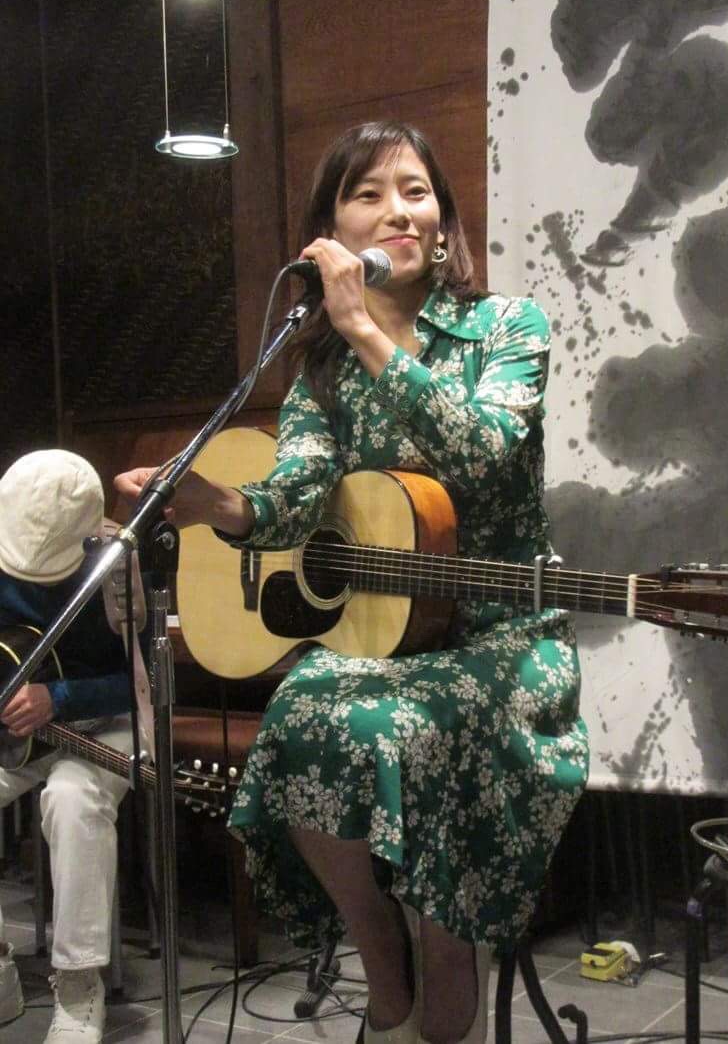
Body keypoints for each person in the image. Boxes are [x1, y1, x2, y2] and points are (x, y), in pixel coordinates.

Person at [116, 120, 590, 1044]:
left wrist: (366, 330)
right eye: (367, 195)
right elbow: (295, 498)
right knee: (299, 714)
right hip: (387, 639)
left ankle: (448, 966)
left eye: (415, 191)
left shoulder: (507, 327)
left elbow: (483, 454)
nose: (398, 212)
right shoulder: (321, 373)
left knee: (408, 727)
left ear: (444, 222)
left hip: (506, 639)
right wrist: (217, 503)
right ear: (329, 234)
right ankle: (383, 959)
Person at [0, 449, 135, 1043]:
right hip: (19, 736)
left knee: (73, 798)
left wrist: (59, 696)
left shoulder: (119, 562)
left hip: (108, 726)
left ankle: (80, 988)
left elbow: (145, 685)